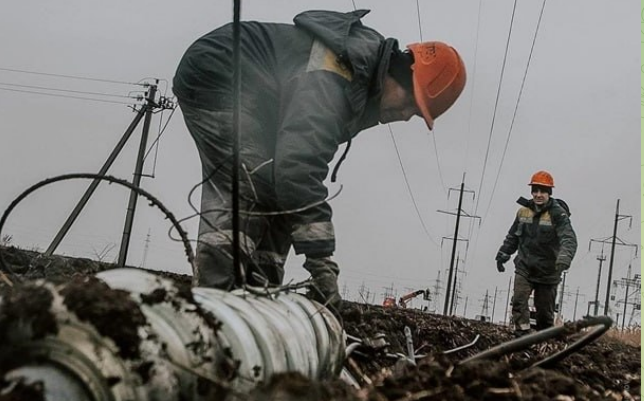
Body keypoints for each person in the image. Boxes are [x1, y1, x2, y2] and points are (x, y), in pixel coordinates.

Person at [173, 9, 467, 311]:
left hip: (261, 94)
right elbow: (298, 168)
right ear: (400, 75)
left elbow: (293, 180)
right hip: (221, 73)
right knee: (249, 180)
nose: (405, 117)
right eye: (411, 104)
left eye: (416, 114)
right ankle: (211, 306)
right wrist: (321, 263)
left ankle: (258, 301)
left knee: (278, 192)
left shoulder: (357, 87)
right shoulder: (335, 75)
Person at [495, 171, 577, 336]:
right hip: (525, 266)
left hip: (548, 272)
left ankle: (543, 339)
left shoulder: (558, 214)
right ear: (531, 192)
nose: (538, 195)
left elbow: (569, 239)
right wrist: (503, 254)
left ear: (549, 193)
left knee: (544, 314)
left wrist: (564, 258)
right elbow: (513, 236)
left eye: (543, 191)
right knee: (519, 300)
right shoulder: (523, 212)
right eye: (535, 191)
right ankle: (522, 333)